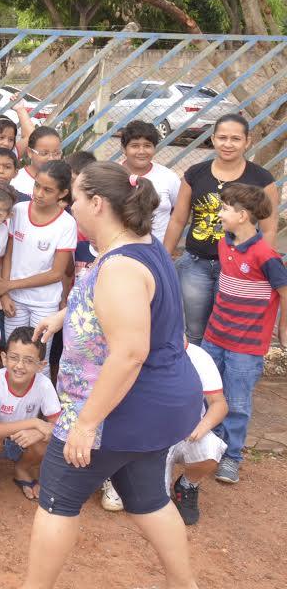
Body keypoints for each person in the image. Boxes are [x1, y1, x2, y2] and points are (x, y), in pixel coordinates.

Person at [21, 161, 202, 589]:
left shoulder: (119, 266)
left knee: (56, 500)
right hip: (158, 404)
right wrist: (69, 313)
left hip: (118, 408)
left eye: (77, 199)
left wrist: (85, 424)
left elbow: (130, 352)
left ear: (97, 203)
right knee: (147, 498)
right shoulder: (145, 244)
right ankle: (184, 584)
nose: (71, 208)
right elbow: (132, 311)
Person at [164, 114, 278, 345]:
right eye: (222, 137)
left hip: (238, 270)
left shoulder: (262, 179)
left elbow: (268, 230)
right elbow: (178, 219)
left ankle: (224, 379)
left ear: (248, 142)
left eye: (235, 138)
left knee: (228, 334)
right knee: (194, 330)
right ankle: (200, 379)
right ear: (213, 139)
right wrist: (165, 256)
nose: (228, 144)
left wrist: (256, 268)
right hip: (196, 264)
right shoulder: (195, 174)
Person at [200, 183, 287, 485]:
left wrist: (282, 326)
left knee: (236, 402)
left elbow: (283, 291)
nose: (220, 213)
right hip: (215, 336)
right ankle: (206, 448)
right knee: (208, 395)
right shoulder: (225, 243)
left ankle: (231, 456)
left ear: (243, 215)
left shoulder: (266, 255)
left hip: (246, 347)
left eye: (225, 209)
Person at [0, 160, 77, 347]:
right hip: (14, 300)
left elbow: (57, 273)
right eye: (37, 186)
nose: (38, 194)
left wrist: (11, 284)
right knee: (13, 350)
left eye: (48, 190)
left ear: (63, 193)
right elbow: (8, 254)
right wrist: (6, 294)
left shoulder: (66, 224)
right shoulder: (18, 211)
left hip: (45, 303)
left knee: (40, 356)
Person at [0, 327, 60, 500]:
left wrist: (39, 432)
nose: (20, 366)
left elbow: (58, 427)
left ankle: (22, 468)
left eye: (29, 360)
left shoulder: (44, 385)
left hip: (24, 440)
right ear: (4, 358)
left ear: (41, 366)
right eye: (14, 358)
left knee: (47, 438)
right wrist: (34, 423)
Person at [167, 340, 227, 525]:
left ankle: (187, 485)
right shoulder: (142, 350)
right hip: (151, 438)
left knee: (211, 448)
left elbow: (219, 404)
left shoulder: (199, 356)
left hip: (187, 433)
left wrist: (202, 427)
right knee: (156, 504)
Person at [12, 126, 63, 196]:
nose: (51, 158)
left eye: (56, 153)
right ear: (30, 152)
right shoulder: (15, 181)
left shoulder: (64, 181)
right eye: (44, 153)